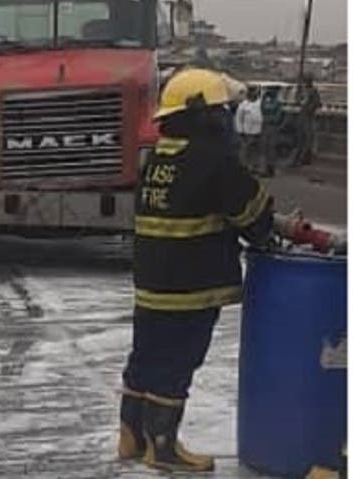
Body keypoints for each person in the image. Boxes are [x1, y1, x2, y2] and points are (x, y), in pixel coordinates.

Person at [118, 68, 274, 472]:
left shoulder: (158, 158)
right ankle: (163, 448)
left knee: (145, 359)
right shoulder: (214, 162)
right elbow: (255, 217)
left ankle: (131, 437)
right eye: (222, 112)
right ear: (207, 117)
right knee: (176, 364)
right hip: (192, 288)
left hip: (151, 285)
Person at [292, 74, 322, 166]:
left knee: (307, 138)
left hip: (308, 117)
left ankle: (304, 158)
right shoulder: (303, 90)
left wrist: (310, 108)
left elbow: (318, 103)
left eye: (307, 81)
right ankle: (300, 157)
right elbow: (297, 101)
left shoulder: (314, 91)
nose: (306, 83)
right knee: (300, 138)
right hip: (302, 116)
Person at [234, 85, 262, 169]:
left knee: (256, 150)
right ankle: (243, 166)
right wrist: (240, 131)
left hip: (259, 130)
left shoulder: (260, 103)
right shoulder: (243, 105)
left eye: (255, 91)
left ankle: (253, 166)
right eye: (251, 91)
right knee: (245, 149)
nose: (253, 93)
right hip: (246, 131)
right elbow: (239, 118)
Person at [260, 85, 284, 177]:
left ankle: (270, 168)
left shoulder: (277, 103)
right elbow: (262, 111)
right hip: (266, 126)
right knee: (264, 148)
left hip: (272, 127)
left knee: (271, 148)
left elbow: (278, 117)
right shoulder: (266, 101)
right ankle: (264, 168)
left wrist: (268, 118)